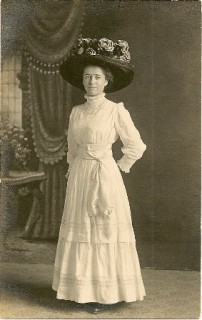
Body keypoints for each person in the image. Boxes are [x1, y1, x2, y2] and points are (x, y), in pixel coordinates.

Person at [52, 37, 146, 314]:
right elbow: (71, 149)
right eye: (87, 77)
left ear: (107, 81)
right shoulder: (76, 112)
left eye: (96, 77)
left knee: (103, 230)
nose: (91, 82)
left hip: (105, 175)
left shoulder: (115, 110)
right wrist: (73, 171)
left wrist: (119, 166)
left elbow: (136, 146)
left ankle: (107, 293)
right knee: (82, 229)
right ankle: (81, 290)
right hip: (81, 175)